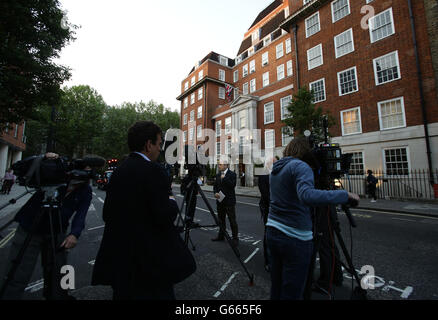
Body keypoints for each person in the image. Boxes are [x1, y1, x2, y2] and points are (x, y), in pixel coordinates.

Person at [91, 121, 195, 300]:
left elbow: (107, 213)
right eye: (159, 142)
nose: (160, 148)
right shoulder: (154, 170)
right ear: (149, 145)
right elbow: (165, 215)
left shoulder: (118, 171)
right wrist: (171, 199)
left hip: (121, 261)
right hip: (149, 263)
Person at [266, 137, 360, 300]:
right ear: (306, 151)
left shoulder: (276, 169)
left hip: (273, 232)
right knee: (293, 292)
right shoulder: (301, 166)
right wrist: (344, 195)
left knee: (277, 286)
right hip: (294, 237)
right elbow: (307, 195)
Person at [0, 153, 92, 300]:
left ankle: (59, 296)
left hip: (56, 230)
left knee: (60, 270)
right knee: (18, 272)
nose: (82, 174)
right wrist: (43, 158)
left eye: (87, 171)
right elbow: (20, 168)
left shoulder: (85, 190)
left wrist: (74, 234)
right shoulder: (55, 178)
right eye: (80, 169)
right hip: (30, 227)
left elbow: (81, 214)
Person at [257, 156, 279, 271]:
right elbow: (265, 195)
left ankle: (277, 259)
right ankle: (268, 261)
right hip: (268, 208)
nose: (276, 165)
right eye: (274, 163)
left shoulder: (279, 174)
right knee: (268, 234)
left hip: (278, 209)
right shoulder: (263, 175)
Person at [212, 161, 238, 246]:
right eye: (218, 164)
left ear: (226, 165)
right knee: (221, 220)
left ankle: (235, 238)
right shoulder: (218, 174)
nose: (218, 166)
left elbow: (232, 185)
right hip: (220, 201)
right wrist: (215, 192)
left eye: (220, 164)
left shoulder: (232, 174)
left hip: (229, 202)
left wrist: (225, 178)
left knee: (232, 220)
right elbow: (215, 186)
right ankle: (221, 235)